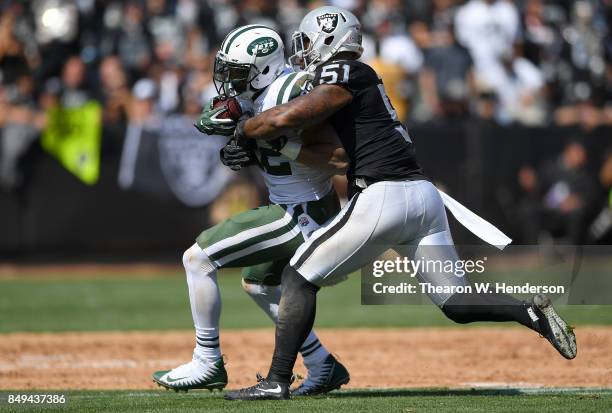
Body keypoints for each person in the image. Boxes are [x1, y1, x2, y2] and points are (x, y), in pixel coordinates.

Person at [199, 7, 577, 401]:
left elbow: (286, 118)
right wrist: (256, 137)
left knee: (297, 275)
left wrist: (243, 128)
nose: (305, 51)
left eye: (309, 42)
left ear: (330, 39)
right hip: (421, 197)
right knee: (456, 302)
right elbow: (303, 137)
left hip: (385, 195)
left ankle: (277, 380)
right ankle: (530, 312)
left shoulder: (346, 71)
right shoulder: (353, 78)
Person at [151, 25, 351, 396]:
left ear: (264, 69)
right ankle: (323, 364)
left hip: (303, 211)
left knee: (197, 258)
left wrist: (271, 145)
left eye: (237, 73)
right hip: (293, 205)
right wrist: (245, 149)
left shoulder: (292, 91)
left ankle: (207, 361)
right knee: (259, 284)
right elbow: (261, 138)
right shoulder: (258, 95)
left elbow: (339, 158)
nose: (229, 82)